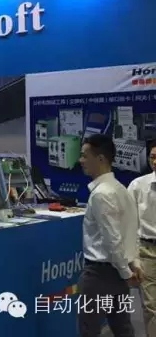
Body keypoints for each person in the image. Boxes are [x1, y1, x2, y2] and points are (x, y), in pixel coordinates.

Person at [78, 133, 140, 337]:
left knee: (89, 330)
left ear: (101, 159)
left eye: (85, 156)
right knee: (123, 328)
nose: (81, 161)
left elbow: (112, 239)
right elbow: (131, 231)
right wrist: (131, 265)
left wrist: (126, 272)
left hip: (100, 274)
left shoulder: (101, 194)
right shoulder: (120, 189)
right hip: (118, 273)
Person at [128, 140, 156, 336]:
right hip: (148, 251)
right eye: (152, 157)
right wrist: (133, 258)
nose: (155, 161)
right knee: (151, 307)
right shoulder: (138, 186)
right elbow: (128, 224)